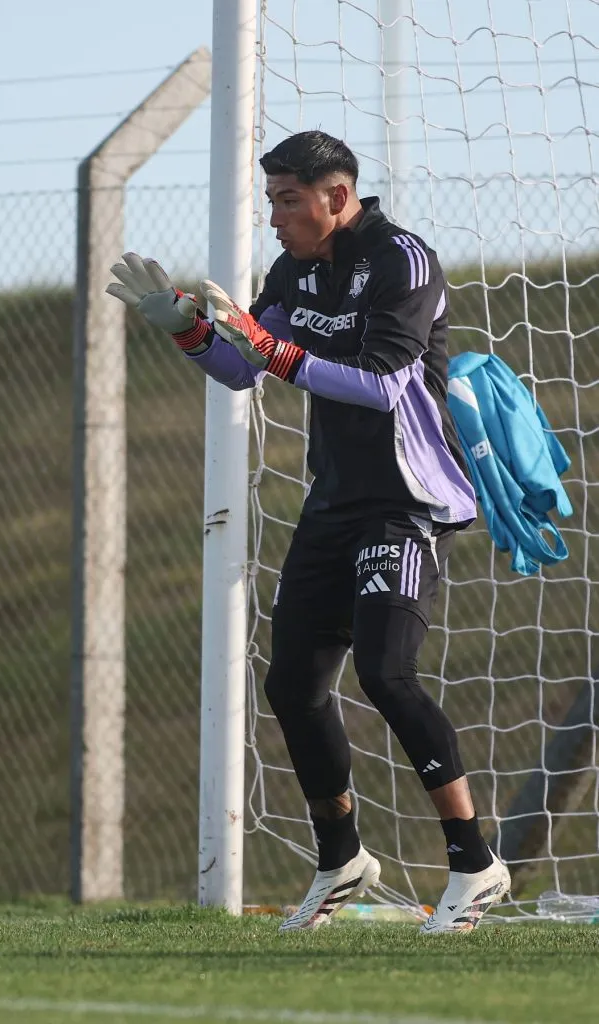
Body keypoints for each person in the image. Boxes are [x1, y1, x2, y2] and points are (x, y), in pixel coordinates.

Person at [106, 130, 511, 934]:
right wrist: (186, 329)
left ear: (337, 194)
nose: (275, 216)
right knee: (290, 684)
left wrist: (271, 348)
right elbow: (240, 368)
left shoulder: (402, 260)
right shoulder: (293, 270)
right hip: (332, 501)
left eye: (288, 199)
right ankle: (341, 859)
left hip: (406, 499)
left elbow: (384, 383)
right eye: (271, 200)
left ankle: (474, 863)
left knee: (385, 673)